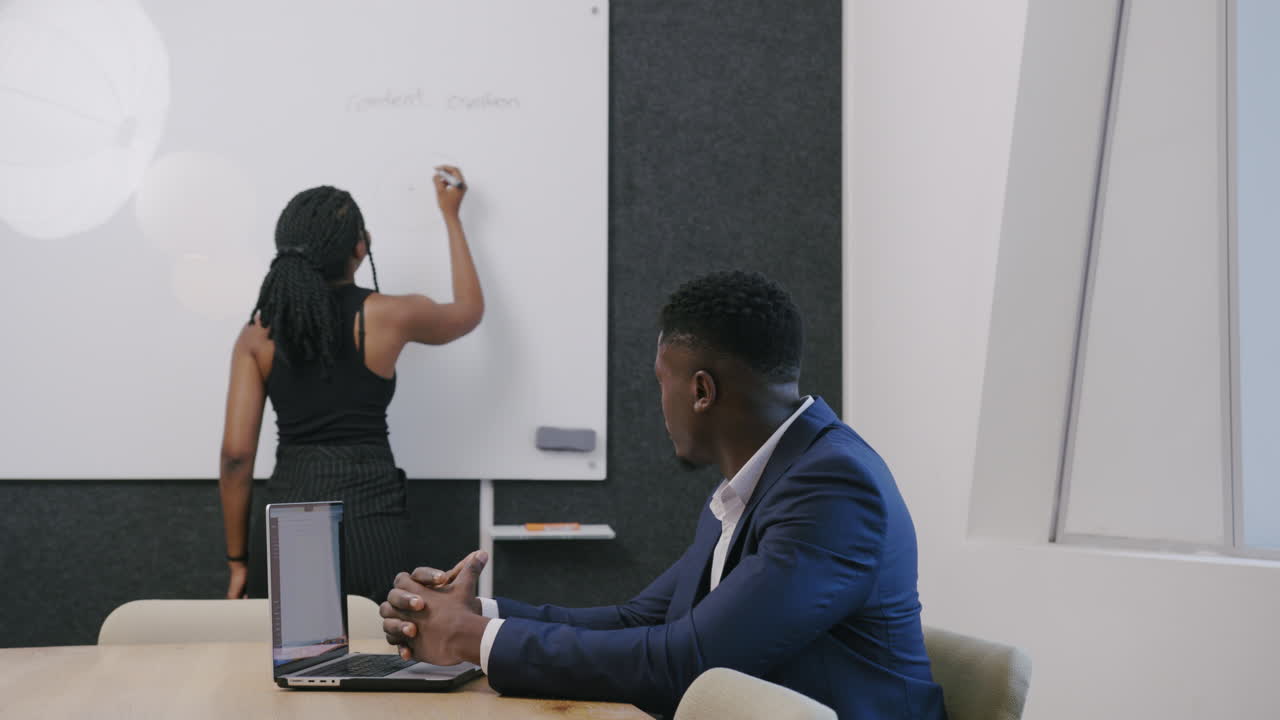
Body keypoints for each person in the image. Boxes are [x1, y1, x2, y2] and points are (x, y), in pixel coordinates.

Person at [378, 271, 947, 719]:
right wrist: (475, 614)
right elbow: (638, 621)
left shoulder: (833, 492)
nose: (659, 403)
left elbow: (690, 662)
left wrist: (472, 640)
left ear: (701, 391)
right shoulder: (765, 478)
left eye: (659, 382)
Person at [218, 166, 483, 601]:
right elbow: (469, 311)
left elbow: (235, 458)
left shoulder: (257, 336)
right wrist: (451, 215)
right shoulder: (390, 315)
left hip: (291, 515)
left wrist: (237, 562)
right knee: (379, 652)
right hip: (371, 514)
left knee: (293, 665)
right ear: (360, 247)